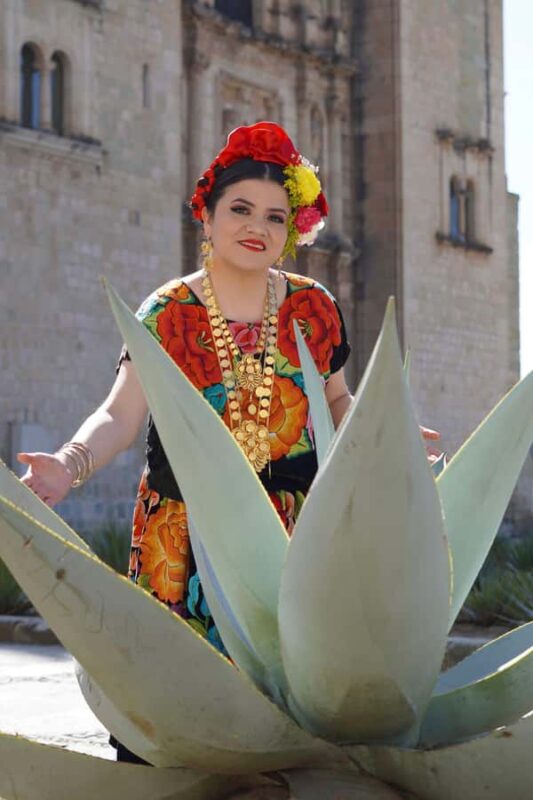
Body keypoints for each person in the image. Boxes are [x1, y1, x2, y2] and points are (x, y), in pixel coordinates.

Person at [17, 121, 440, 762]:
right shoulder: (167, 310)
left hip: (293, 539)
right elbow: (121, 415)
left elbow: (336, 404)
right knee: (171, 709)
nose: (257, 226)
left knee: (285, 704)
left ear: (291, 232)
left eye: (276, 217)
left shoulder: (313, 307)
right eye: (240, 209)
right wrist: (67, 466)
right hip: (181, 540)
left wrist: (390, 432)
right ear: (206, 218)